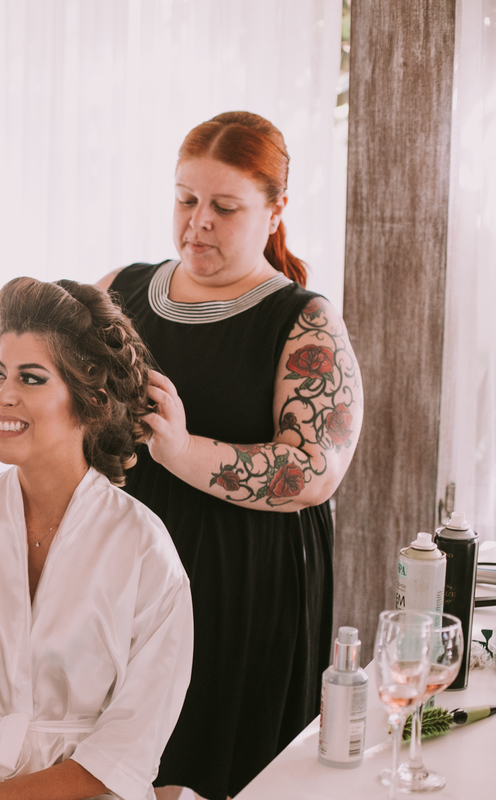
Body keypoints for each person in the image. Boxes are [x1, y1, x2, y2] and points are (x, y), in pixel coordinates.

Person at [94, 111, 364, 800]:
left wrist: (182, 451)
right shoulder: (119, 292)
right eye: (186, 199)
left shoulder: (304, 321)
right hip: (126, 574)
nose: (198, 223)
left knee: (217, 771)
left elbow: (312, 471)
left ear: (275, 211)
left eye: (225, 206)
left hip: (246, 583)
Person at [0, 277, 194, 800]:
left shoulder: (144, 550)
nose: (3, 396)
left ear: (91, 400)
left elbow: (130, 746)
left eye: (31, 378)